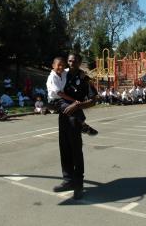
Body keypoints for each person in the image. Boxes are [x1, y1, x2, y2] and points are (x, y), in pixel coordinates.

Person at [52, 53, 98, 200]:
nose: (71, 63)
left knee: (76, 151)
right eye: (69, 61)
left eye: (74, 61)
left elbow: (94, 99)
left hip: (75, 118)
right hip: (63, 116)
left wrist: (78, 105)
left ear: (79, 62)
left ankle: (78, 184)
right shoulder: (61, 74)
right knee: (64, 148)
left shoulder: (85, 78)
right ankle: (68, 180)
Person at [46, 56, 98, 135]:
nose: (61, 67)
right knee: (74, 106)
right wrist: (73, 101)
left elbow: (72, 69)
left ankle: (83, 125)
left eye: (63, 65)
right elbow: (60, 93)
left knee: (76, 106)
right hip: (55, 101)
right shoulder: (52, 78)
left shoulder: (63, 72)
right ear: (53, 65)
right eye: (59, 65)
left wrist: (82, 72)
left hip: (62, 100)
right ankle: (84, 126)